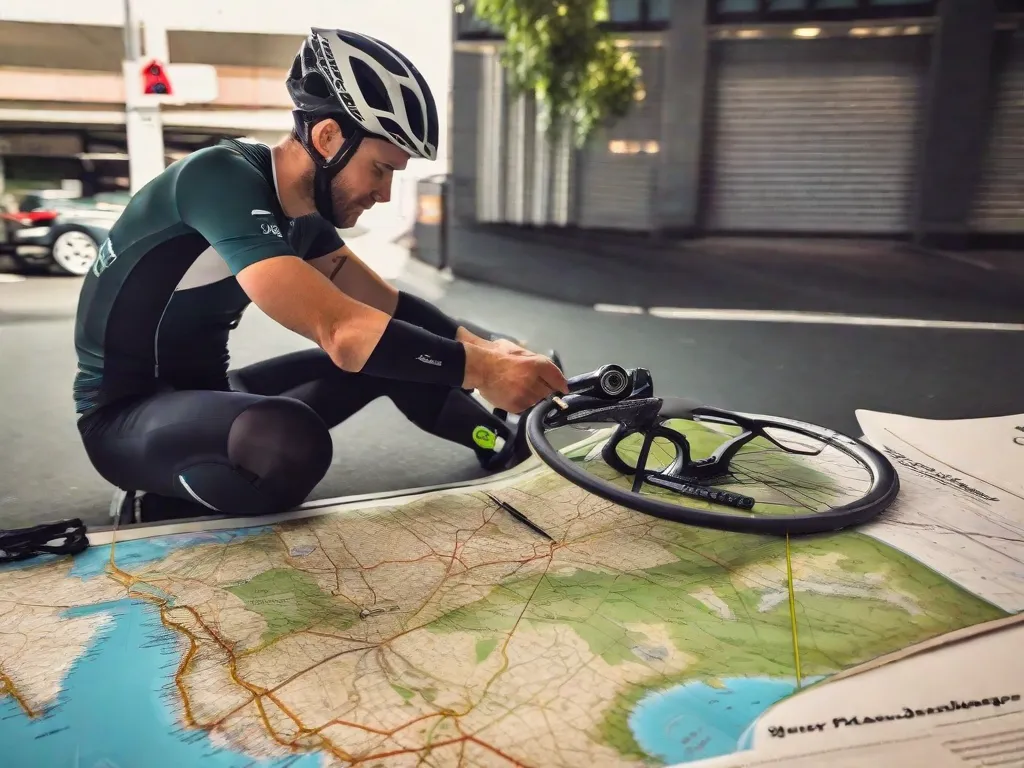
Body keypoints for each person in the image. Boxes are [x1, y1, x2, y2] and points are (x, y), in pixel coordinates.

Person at [72, 27, 568, 520]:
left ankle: (499, 443)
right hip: (124, 417)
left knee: (398, 347)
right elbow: (342, 332)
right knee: (289, 442)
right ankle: (162, 498)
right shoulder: (218, 177)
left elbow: (386, 309)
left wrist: (493, 351)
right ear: (328, 137)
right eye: (380, 168)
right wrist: (482, 371)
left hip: (213, 396)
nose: (386, 192)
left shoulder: (301, 218)